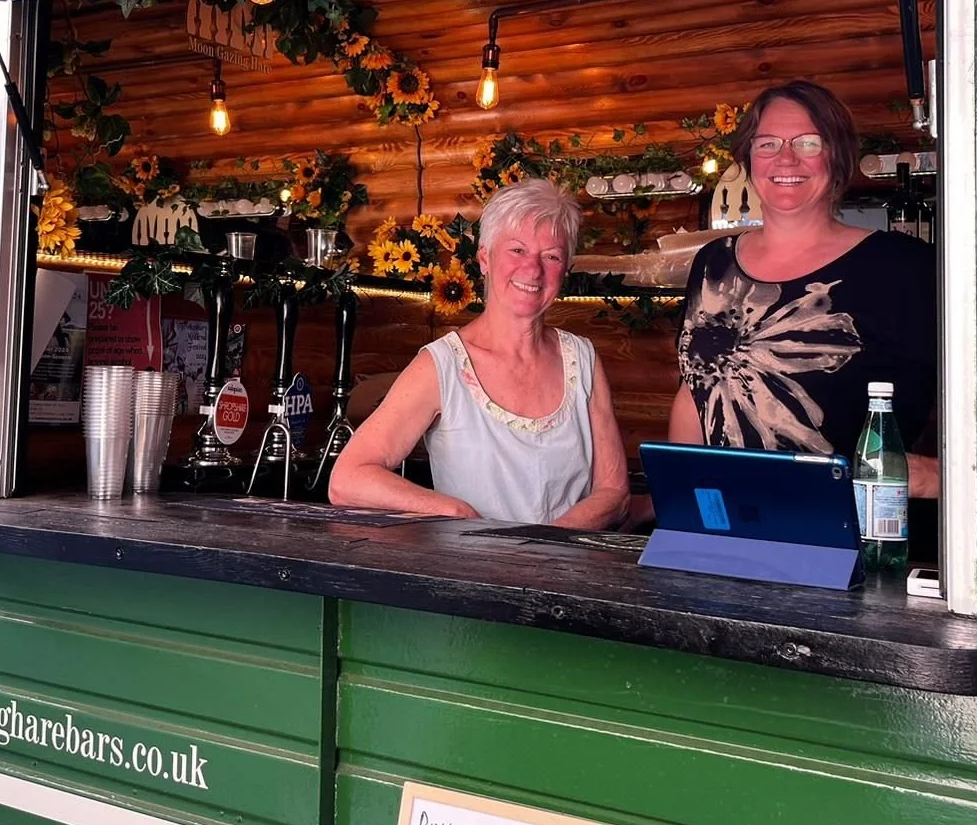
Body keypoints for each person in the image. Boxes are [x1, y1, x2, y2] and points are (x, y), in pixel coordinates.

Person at [669, 81, 939, 497]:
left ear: (838, 154)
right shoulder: (714, 261)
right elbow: (697, 391)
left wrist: (939, 477)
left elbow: (972, 394)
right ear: (748, 158)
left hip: (856, 532)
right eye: (768, 143)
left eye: (808, 143)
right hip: (728, 523)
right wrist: (685, 500)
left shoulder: (904, 266)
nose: (786, 158)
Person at [330, 178, 630, 527]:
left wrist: (546, 548)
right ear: (485, 258)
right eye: (517, 250)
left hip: (566, 576)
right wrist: (455, 511)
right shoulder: (442, 365)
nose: (533, 270)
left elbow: (614, 493)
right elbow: (348, 479)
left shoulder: (583, 358)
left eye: (551, 256)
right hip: (471, 576)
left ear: (564, 271)